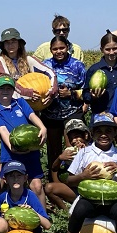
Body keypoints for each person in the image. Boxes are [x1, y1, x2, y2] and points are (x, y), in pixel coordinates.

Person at [62, 114, 117, 233]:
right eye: (99, 131)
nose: (104, 135)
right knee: (80, 208)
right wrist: (83, 176)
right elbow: (69, 181)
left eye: (108, 131)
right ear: (92, 133)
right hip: (90, 200)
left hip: (114, 201)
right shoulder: (84, 153)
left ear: (115, 133)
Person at [0, 75, 48, 206]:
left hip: (31, 155)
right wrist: (13, 147)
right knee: (8, 187)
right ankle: (3, 215)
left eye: (9, 88)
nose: (5, 91)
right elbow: (4, 132)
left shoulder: (20, 103)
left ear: (13, 90)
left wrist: (42, 128)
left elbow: (32, 116)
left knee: (37, 187)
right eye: (2, 88)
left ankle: (43, 218)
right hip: (11, 156)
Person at [41, 35, 87, 175]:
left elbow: (86, 91)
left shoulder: (77, 65)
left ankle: (74, 178)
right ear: (51, 50)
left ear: (68, 48)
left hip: (72, 112)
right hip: (51, 114)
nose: (59, 51)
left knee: (73, 147)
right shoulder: (45, 65)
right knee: (54, 150)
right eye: (55, 49)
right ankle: (54, 180)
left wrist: (71, 94)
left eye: (62, 48)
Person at [0, 27, 57, 104]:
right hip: (12, 104)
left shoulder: (28, 59)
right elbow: (8, 81)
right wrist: (27, 93)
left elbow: (50, 72)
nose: (10, 45)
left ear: (19, 44)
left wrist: (53, 89)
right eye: (7, 42)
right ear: (3, 46)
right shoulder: (0, 61)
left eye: (13, 41)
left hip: (32, 105)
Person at [45, 119, 91, 209]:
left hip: (91, 189)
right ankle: (66, 211)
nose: (74, 140)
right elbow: (54, 169)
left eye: (77, 136)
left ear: (86, 135)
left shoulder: (94, 148)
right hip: (74, 190)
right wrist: (59, 158)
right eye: (71, 138)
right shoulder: (70, 152)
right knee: (49, 188)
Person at [0, 160, 52, 232]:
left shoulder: (30, 196)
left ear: (25, 178)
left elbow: (47, 225)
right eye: (11, 176)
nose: (16, 179)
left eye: (19, 175)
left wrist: (32, 212)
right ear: (5, 180)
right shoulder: (2, 197)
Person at [83, 32, 117, 115]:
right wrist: (92, 96)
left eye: (115, 48)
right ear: (101, 49)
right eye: (107, 49)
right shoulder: (94, 69)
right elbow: (85, 93)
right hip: (100, 115)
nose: (111, 52)